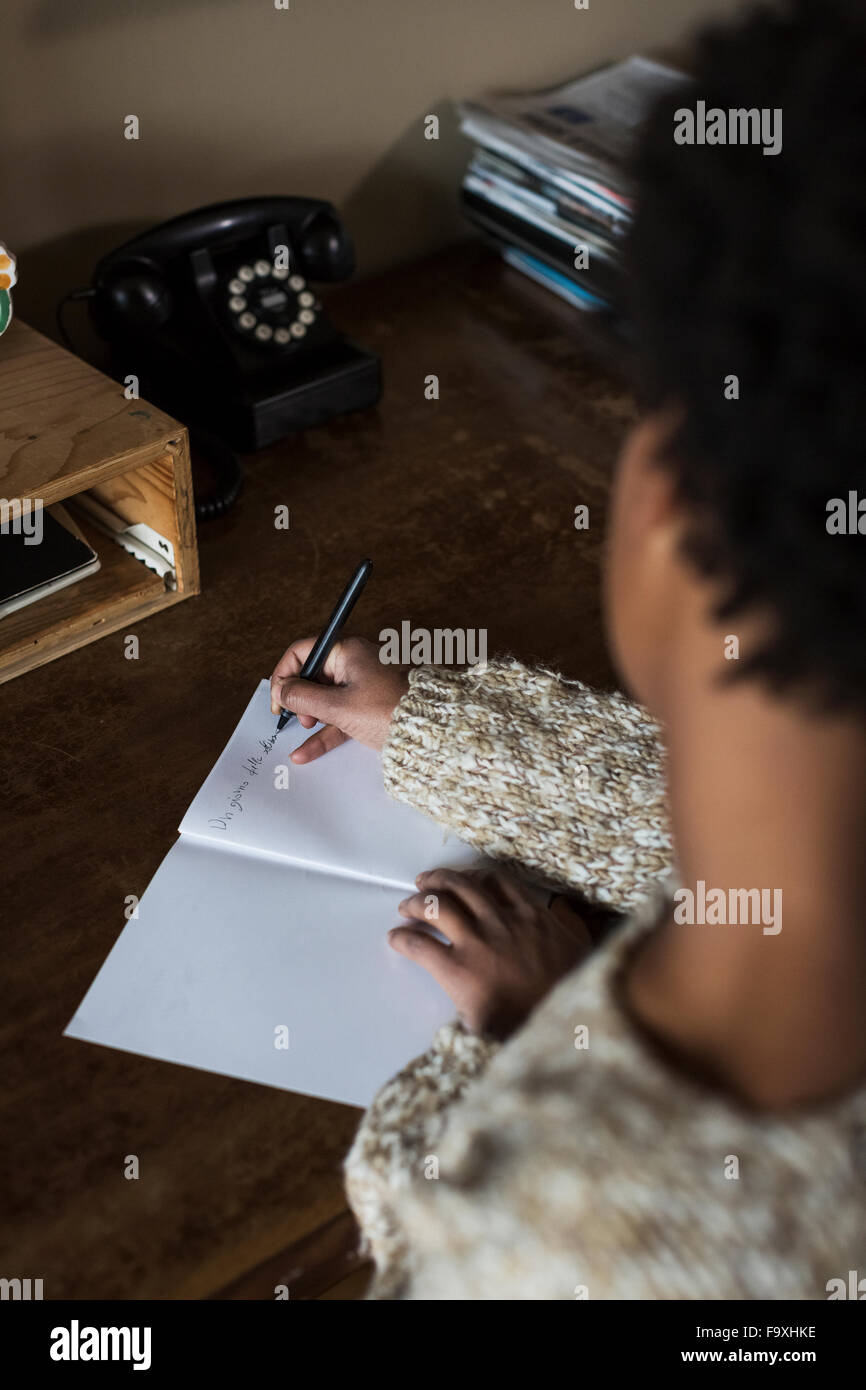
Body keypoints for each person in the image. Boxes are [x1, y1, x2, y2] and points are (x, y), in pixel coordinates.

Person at [270, 0, 866, 1299]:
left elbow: (441, 1210)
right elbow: (711, 819)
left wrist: (524, 1034)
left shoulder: (534, 1238)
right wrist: (430, 725)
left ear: (667, 506)